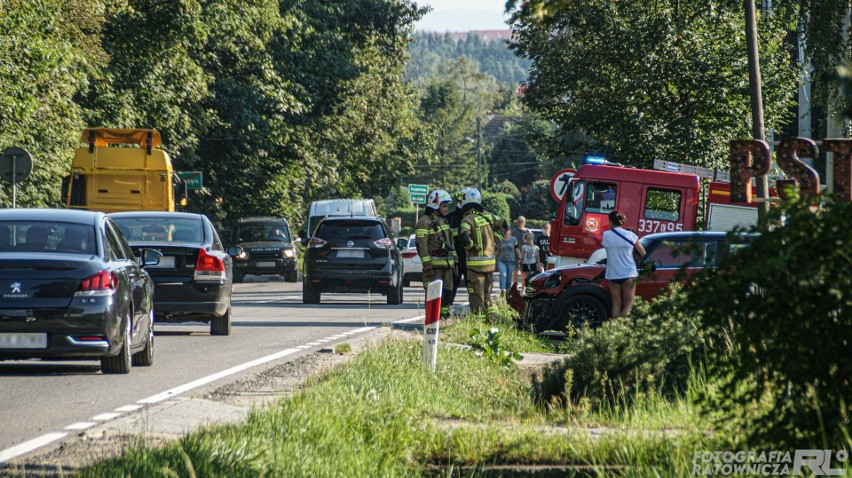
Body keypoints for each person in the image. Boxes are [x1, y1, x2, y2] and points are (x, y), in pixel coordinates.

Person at [458, 187, 507, 318]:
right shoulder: (489, 216)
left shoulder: (467, 219)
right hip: (490, 264)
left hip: (475, 266)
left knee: (476, 295)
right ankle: (492, 319)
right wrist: (495, 240)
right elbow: (504, 224)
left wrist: (472, 246)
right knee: (487, 294)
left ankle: (479, 322)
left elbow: (464, 237)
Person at [415, 189, 456, 318]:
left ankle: (443, 320)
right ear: (435, 205)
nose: (446, 209)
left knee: (447, 295)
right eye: (444, 206)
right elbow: (422, 246)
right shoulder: (424, 222)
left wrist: (455, 262)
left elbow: (451, 243)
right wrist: (427, 267)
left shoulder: (444, 221)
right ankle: (431, 323)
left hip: (447, 268)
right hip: (434, 269)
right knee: (433, 296)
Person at [601, 210, 646, 319]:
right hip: (629, 273)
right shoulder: (631, 235)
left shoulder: (606, 235)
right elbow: (643, 253)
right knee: (628, 304)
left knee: (616, 304)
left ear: (611, 222)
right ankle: (623, 331)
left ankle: (613, 332)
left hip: (612, 274)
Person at [496, 229, 518, 295]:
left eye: (507, 231)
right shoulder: (500, 239)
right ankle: (502, 289)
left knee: (509, 276)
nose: (505, 233)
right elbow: (498, 250)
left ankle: (508, 290)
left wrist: (520, 258)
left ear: (509, 232)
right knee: (503, 274)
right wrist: (494, 259)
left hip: (511, 261)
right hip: (501, 260)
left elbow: (516, 249)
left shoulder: (514, 239)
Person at [510, 216, 532, 284]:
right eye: (518, 222)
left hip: (525, 254)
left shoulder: (528, 231)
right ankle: (515, 286)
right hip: (515, 254)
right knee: (515, 272)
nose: (519, 223)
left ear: (524, 223)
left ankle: (523, 287)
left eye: (521, 222)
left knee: (524, 273)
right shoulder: (514, 232)